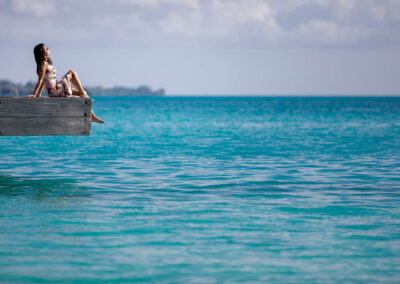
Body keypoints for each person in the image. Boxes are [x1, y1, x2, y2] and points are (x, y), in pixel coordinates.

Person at [27, 43, 104, 123]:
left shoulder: (46, 63)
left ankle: (93, 116)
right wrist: (35, 94)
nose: (48, 48)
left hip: (55, 90)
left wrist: (38, 95)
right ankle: (85, 98)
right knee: (72, 72)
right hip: (55, 89)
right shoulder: (44, 63)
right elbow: (40, 80)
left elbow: (44, 82)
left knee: (82, 92)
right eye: (46, 48)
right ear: (42, 52)